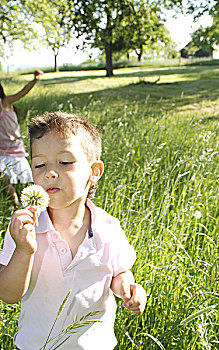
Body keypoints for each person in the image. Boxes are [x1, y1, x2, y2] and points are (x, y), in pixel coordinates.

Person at [0, 112, 147, 350]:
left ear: (94, 171)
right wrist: (24, 250)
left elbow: (119, 273)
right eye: (39, 164)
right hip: (37, 345)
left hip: (95, 345)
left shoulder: (108, 228)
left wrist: (128, 289)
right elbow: (8, 294)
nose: (50, 172)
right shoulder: (24, 228)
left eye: (65, 162)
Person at [0, 70, 43, 206]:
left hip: (14, 149)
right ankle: (15, 206)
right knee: (7, 184)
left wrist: (35, 80)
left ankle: (17, 206)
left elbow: (22, 92)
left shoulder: (5, 103)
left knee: (8, 183)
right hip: (2, 152)